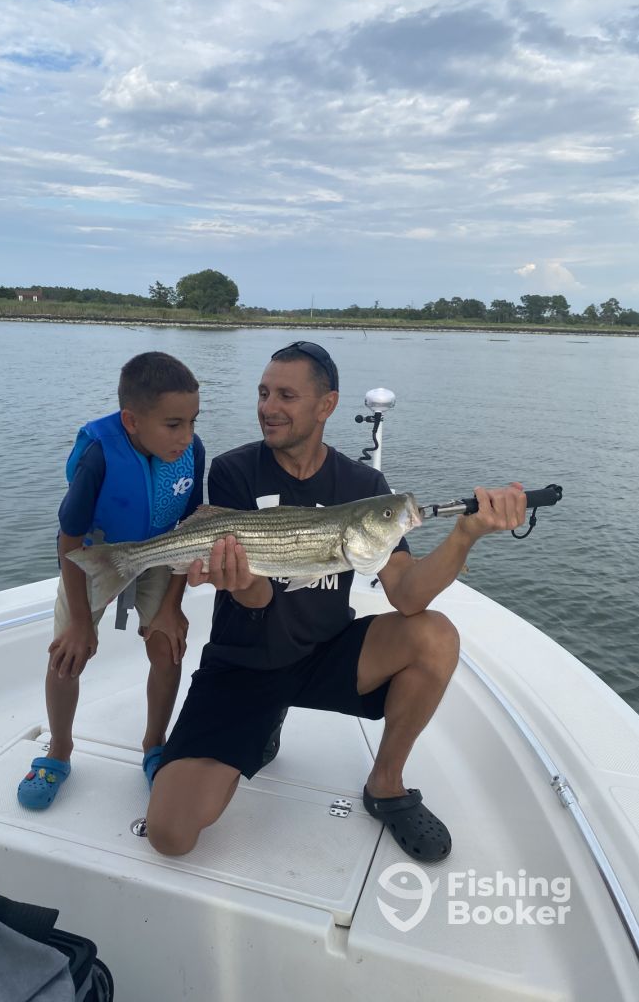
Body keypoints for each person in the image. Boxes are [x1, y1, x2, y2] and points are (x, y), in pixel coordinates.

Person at [146, 340, 526, 862]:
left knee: (434, 634)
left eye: (286, 395)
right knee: (170, 835)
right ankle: (263, 723)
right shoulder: (234, 470)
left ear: (326, 405)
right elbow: (256, 597)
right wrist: (240, 581)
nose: (268, 407)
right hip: (244, 661)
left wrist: (465, 535)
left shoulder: (363, 484)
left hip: (325, 651)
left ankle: (386, 784)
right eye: (263, 393)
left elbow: (407, 595)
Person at [18, 351, 204, 808]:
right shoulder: (99, 457)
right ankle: (59, 750)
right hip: (93, 554)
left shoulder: (191, 453)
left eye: (192, 422)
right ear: (131, 421)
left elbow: (190, 531)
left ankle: (155, 745)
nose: (186, 436)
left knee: (168, 646)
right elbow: (69, 537)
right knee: (67, 655)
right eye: (173, 424)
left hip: (161, 550)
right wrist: (81, 622)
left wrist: (171, 607)